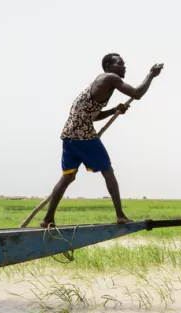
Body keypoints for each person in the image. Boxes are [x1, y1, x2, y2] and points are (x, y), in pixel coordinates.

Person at [39, 53, 164, 228]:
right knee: (107, 170)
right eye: (120, 64)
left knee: (68, 177)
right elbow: (137, 93)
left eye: (124, 64)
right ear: (108, 66)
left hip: (69, 136)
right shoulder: (109, 78)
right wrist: (151, 75)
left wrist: (113, 110)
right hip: (83, 136)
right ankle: (120, 215)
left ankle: (47, 219)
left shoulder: (101, 83)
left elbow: (93, 115)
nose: (124, 67)